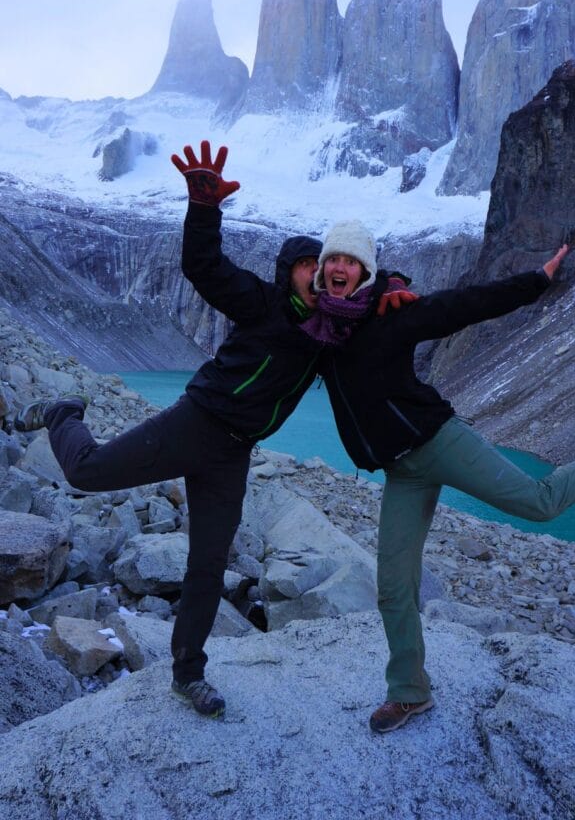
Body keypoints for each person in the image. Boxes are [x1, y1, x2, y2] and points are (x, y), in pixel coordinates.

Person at [13, 144, 411, 719]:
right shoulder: (262, 303)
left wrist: (395, 279)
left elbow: (372, 298)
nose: (319, 272)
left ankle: (187, 675)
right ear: (291, 272)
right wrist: (203, 209)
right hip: (194, 423)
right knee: (84, 471)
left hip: (231, 456)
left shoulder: (330, 336)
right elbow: (204, 267)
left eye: (321, 267)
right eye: (308, 265)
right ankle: (61, 414)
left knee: (207, 566)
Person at [305, 218, 575, 734]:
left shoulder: (393, 314)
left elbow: (467, 305)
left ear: (365, 270)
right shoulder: (320, 333)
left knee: (540, 503)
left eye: (350, 260)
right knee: (393, 587)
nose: (339, 267)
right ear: (321, 272)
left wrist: (537, 280)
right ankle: (410, 692)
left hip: (440, 442)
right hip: (400, 471)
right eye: (332, 260)